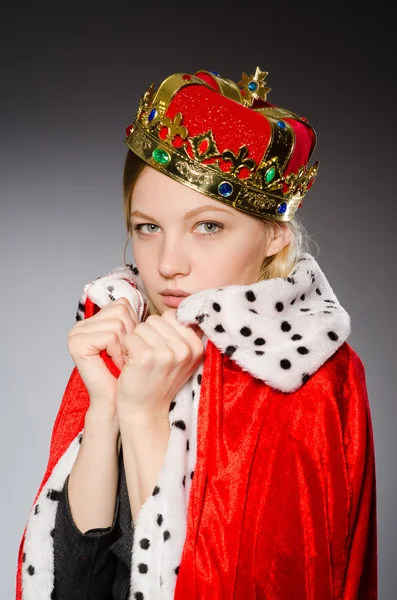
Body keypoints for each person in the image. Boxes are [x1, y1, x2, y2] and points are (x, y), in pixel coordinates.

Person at [16, 67, 378, 600]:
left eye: (208, 226)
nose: (167, 264)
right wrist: (105, 409)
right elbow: (67, 585)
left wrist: (143, 419)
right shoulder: (120, 337)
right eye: (148, 227)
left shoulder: (310, 381)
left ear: (275, 237)